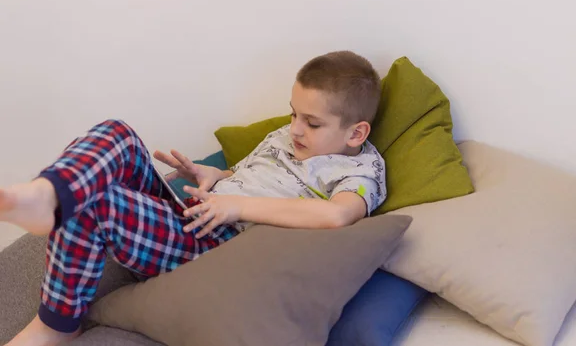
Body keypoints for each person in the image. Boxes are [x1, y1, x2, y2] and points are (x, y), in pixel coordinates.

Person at [0, 50, 387, 346]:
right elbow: (245, 175)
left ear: (356, 133)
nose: (295, 128)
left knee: (101, 204)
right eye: (293, 115)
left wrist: (236, 206)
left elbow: (338, 216)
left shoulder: (360, 171)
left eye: (312, 123)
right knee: (117, 132)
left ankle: (56, 324)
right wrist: (212, 175)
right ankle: (48, 193)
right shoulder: (286, 138)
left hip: (220, 246)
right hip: (198, 213)